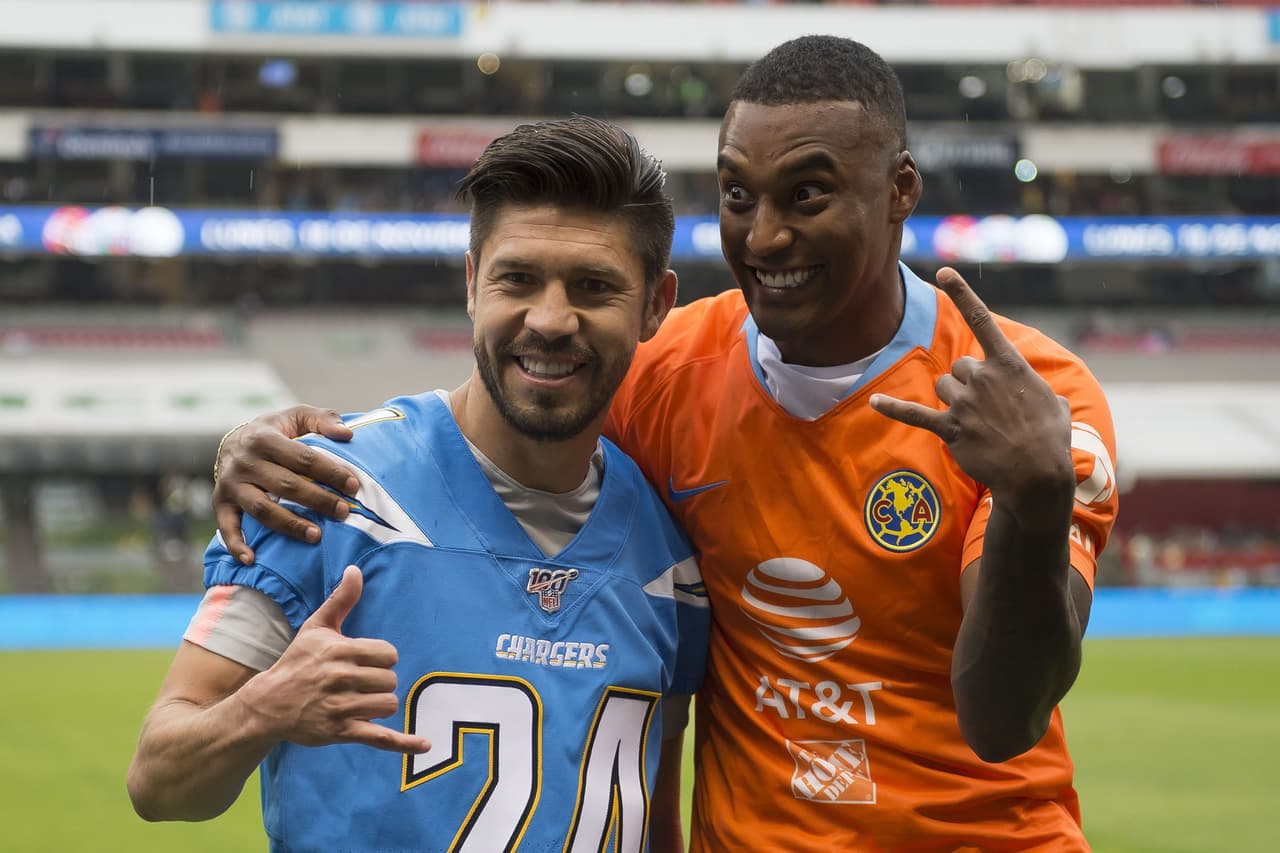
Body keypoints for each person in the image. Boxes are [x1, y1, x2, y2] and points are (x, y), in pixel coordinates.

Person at [210, 36, 1119, 852]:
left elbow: (1003, 716)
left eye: (807, 193)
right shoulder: (669, 366)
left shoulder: (1034, 399)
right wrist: (262, 442)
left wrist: (1037, 500)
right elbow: (497, 406)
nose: (763, 236)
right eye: (736, 194)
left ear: (900, 191)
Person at [127, 115, 710, 853]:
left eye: (593, 287)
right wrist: (262, 710)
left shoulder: (669, 552)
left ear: (656, 304)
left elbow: (655, 820)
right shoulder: (325, 492)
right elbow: (157, 778)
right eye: (518, 278)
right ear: (472, 283)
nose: (551, 319)